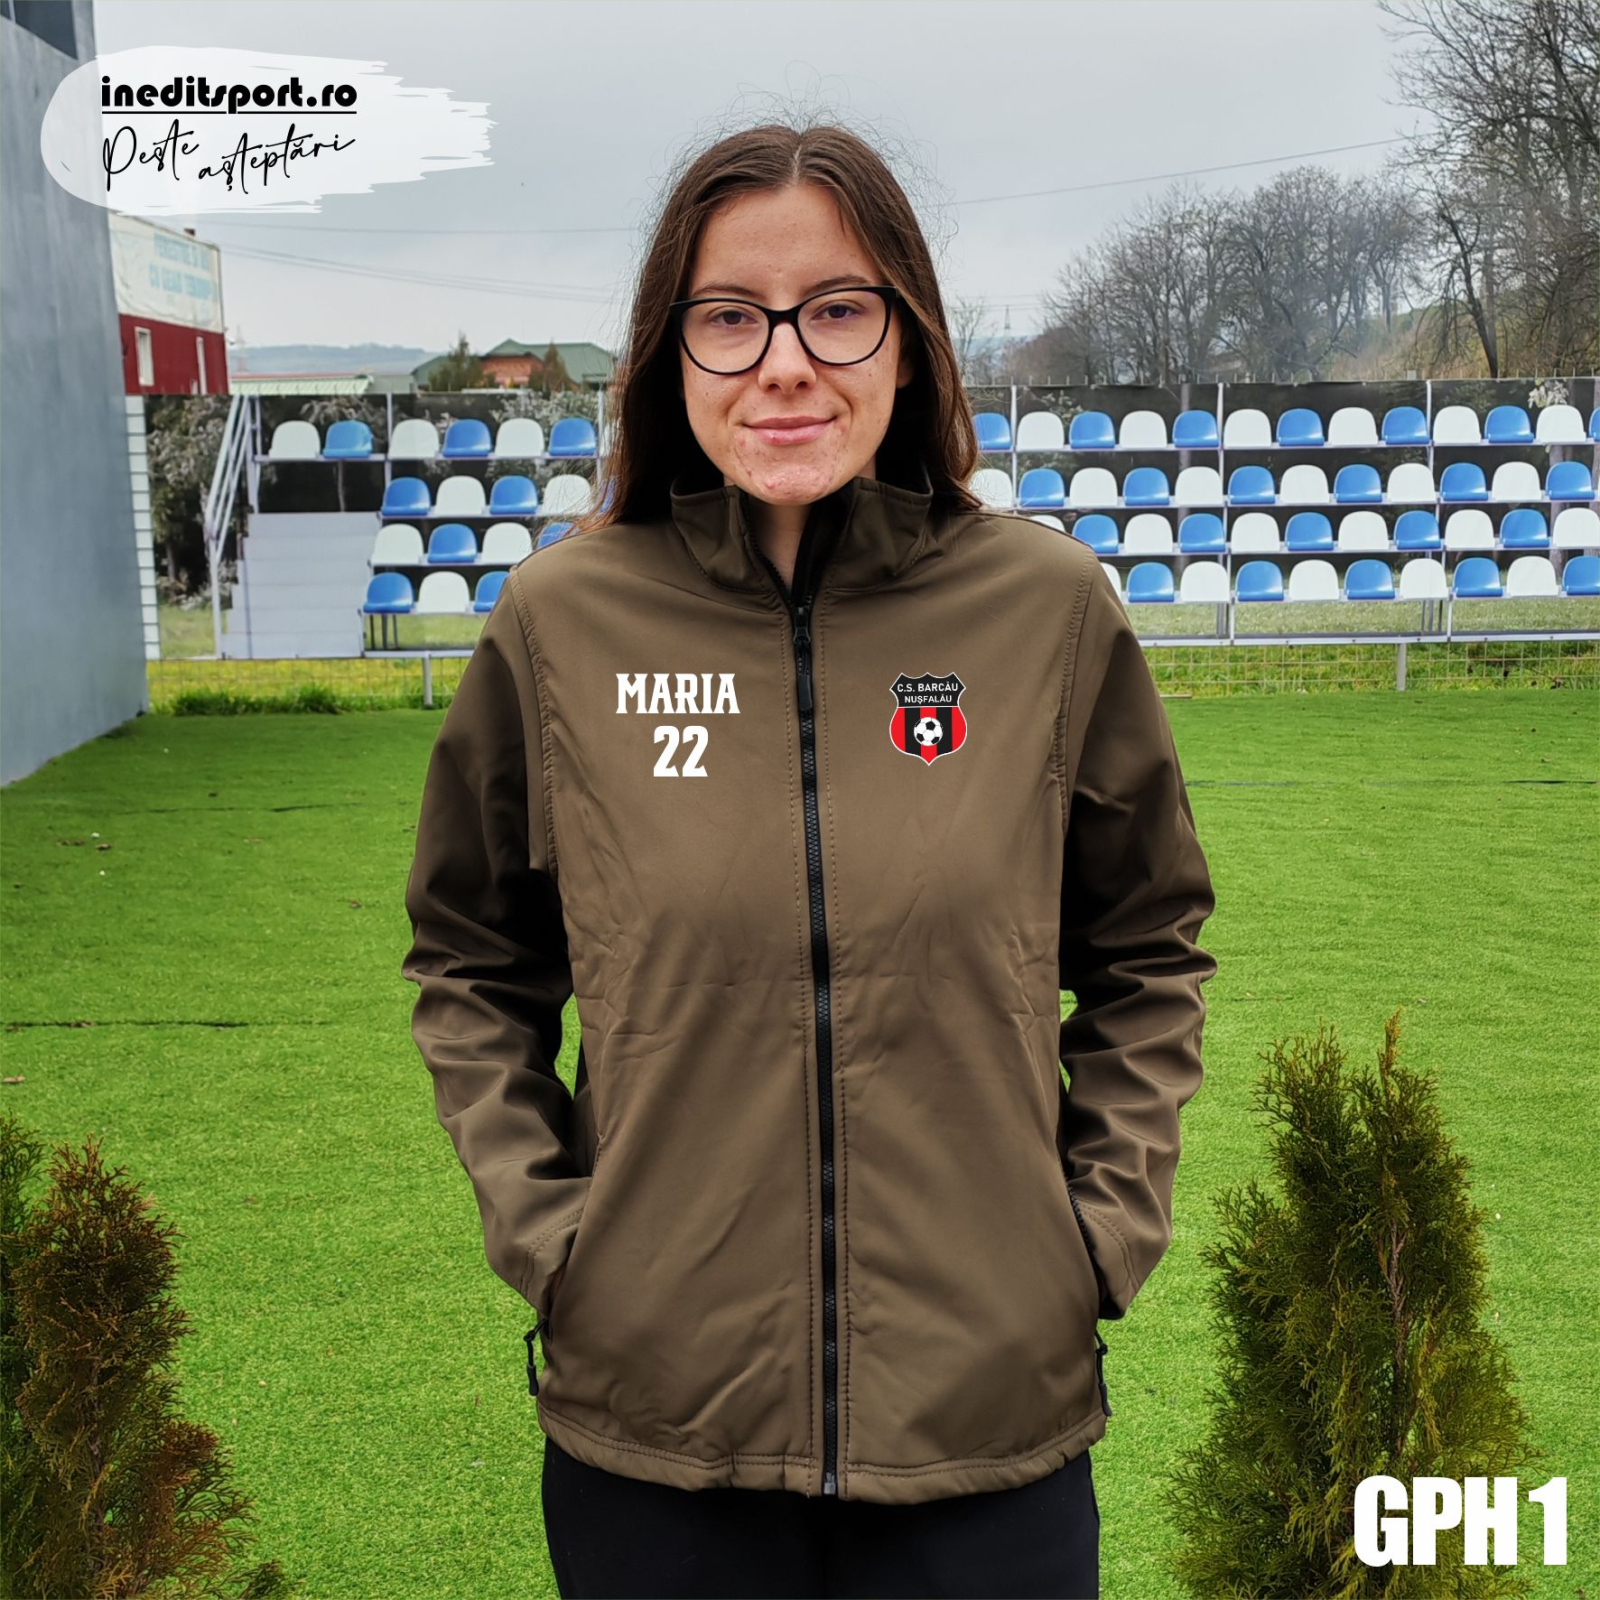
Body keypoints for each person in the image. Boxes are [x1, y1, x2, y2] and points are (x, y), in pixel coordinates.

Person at [400, 119, 1218, 1600]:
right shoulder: (561, 625)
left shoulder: (1045, 610)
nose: (785, 363)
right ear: (671, 352)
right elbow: (471, 959)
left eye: (837, 309)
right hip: (657, 1442)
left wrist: (1093, 1237)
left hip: (988, 1434)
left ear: (910, 339)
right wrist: (558, 1238)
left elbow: (1149, 949)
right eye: (731, 317)